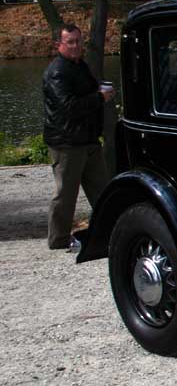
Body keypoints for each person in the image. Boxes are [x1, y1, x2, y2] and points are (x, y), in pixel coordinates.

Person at [42, 23, 115, 251]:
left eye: (78, 41)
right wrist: (99, 98)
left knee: (103, 190)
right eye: (70, 42)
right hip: (67, 143)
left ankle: (111, 230)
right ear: (59, 45)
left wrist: (100, 92)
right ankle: (58, 239)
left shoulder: (79, 65)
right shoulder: (57, 72)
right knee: (66, 194)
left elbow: (89, 93)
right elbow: (68, 107)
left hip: (88, 140)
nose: (76, 46)